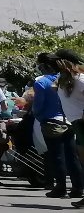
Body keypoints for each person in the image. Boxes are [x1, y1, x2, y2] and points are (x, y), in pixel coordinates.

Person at [34, 52, 84, 199]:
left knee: (56, 156)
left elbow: (38, 105)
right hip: (69, 121)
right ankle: (77, 187)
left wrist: (39, 116)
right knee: (72, 156)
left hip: (53, 121)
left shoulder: (42, 81)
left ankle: (61, 186)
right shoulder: (63, 79)